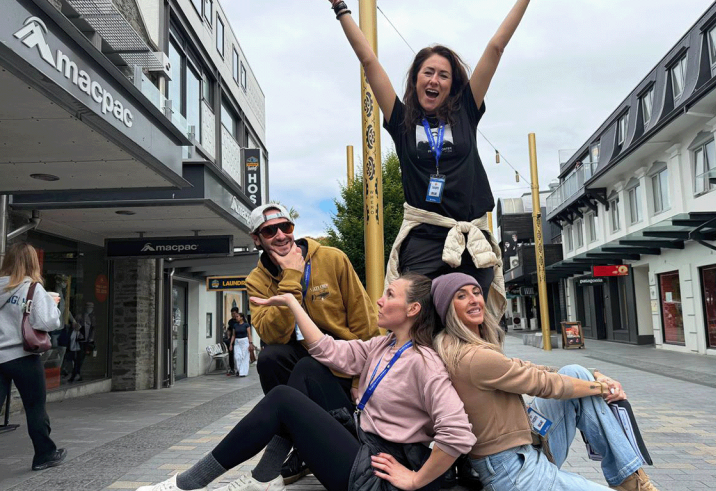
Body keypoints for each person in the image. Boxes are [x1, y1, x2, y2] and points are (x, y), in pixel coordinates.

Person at [137, 273, 476, 491]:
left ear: (413, 308)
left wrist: (415, 479)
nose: (379, 300)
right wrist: (293, 304)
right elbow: (326, 349)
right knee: (308, 369)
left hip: (377, 477)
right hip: (363, 441)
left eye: (389, 294)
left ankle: (190, 483)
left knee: (283, 399)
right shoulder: (383, 345)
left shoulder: (424, 362)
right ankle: (266, 478)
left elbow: (458, 433)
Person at [327, 0, 531, 328]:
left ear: (452, 84)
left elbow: (496, 48)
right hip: (423, 239)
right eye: (428, 72)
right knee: (417, 328)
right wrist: (340, 9)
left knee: (470, 332)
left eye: (443, 75)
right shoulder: (401, 118)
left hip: (468, 241)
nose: (434, 80)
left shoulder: (467, 109)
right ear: (417, 78)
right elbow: (368, 59)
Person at [431, 273, 658, 491]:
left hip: (523, 451)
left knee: (576, 372)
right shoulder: (474, 357)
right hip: (514, 473)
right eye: (461, 296)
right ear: (447, 309)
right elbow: (544, 384)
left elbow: (527, 368)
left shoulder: (464, 347)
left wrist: (594, 373)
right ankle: (632, 481)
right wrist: (601, 388)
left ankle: (632, 480)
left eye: (476, 292)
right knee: (578, 384)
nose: (474, 300)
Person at [245, 202, 380, 482]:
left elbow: (365, 324)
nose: (281, 235)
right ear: (257, 239)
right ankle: (301, 443)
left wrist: (360, 380)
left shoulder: (332, 259)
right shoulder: (256, 280)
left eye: (286, 227)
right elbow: (273, 335)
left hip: (343, 368)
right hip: (304, 365)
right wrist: (292, 277)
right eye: (270, 231)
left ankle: (296, 442)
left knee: (308, 365)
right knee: (271, 358)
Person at [0, 243, 67, 470]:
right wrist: (53, 305)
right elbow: (48, 322)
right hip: (23, 357)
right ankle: (45, 455)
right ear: (32, 263)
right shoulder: (32, 289)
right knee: (35, 407)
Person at [229, 312, 253, 377]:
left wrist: (250, 343)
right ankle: (239, 370)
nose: (236, 318)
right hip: (237, 341)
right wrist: (231, 344)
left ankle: (243, 372)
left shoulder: (246, 325)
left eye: (237, 316)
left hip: (244, 341)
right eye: (236, 317)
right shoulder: (235, 325)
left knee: (244, 357)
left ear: (241, 317)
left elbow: (249, 334)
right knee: (237, 357)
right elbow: (233, 335)